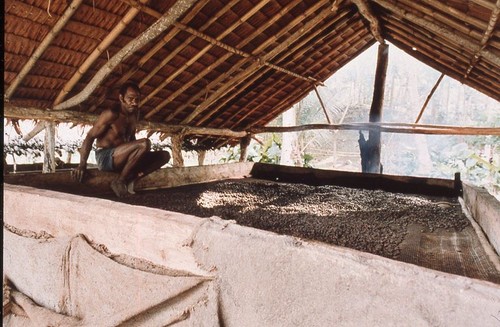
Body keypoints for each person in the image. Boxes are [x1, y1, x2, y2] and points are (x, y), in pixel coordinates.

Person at [72, 82, 170, 197]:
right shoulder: (111, 114)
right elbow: (90, 137)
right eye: (130, 98)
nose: (134, 102)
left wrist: (140, 157)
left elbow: (132, 138)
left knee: (164, 156)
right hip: (106, 157)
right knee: (145, 143)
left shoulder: (134, 114)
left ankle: (133, 178)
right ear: (121, 98)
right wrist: (82, 165)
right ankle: (120, 181)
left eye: (137, 99)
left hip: (124, 158)